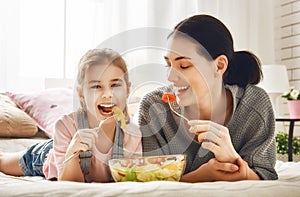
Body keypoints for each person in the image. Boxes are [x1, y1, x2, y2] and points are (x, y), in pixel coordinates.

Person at [138, 14, 278, 182]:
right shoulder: (153, 106)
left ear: (219, 66)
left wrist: (233, 160)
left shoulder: (255, 104)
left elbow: (266, 176)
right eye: (168, 65)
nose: (170, 77)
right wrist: (202, 175)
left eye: (184, 66)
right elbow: (148, 180)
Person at [0, 48, 142, 182]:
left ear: (128, 89)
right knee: (3, 162)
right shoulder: (65, 126)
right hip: (50, 156)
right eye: (96, 86)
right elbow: (70, 184)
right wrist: (72, 154)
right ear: (81, 92)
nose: (108, 95)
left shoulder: (134, 134)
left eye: (115, 85)